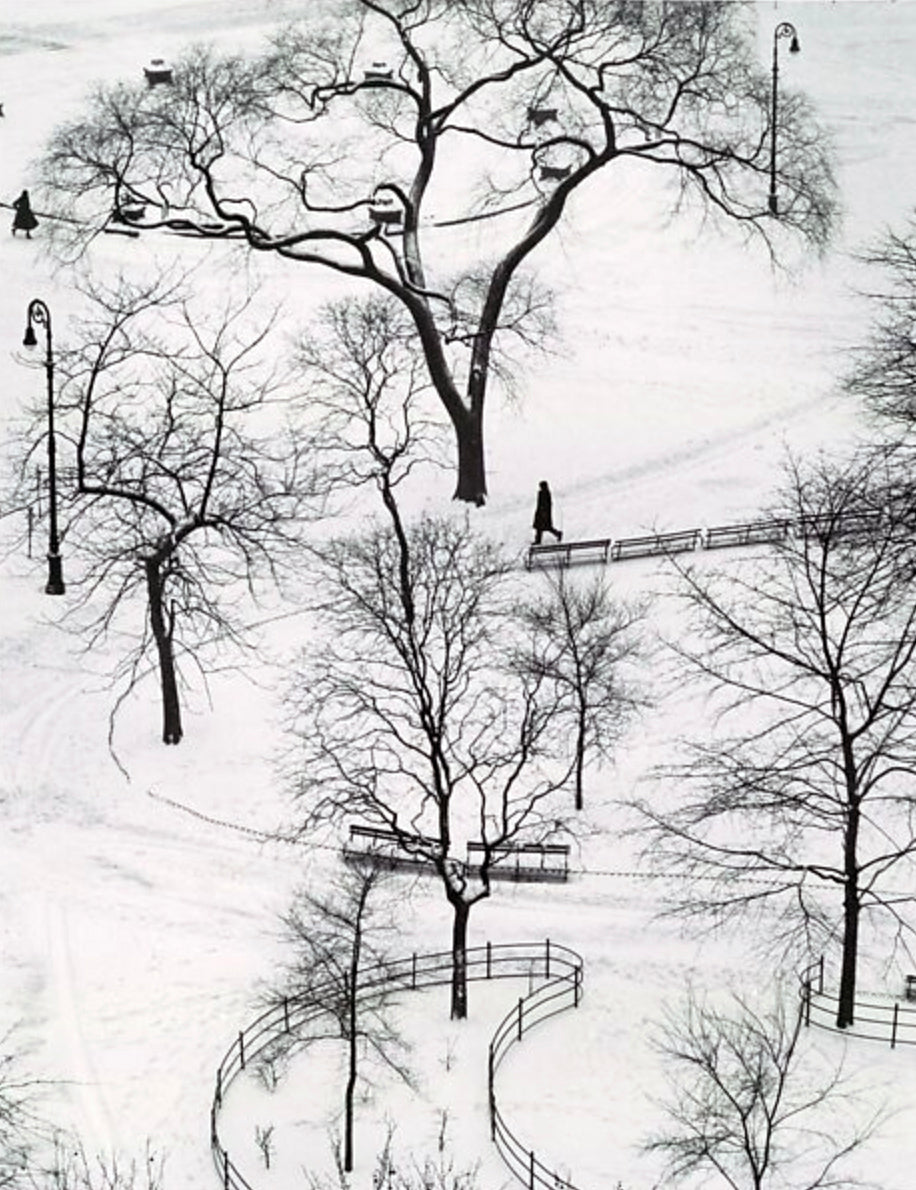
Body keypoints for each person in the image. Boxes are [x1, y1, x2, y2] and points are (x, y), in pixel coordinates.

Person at [532, 480, 562, 545]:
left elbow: (544, 504)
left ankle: (538, 540)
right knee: (543, 527)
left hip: (542, 513)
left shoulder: (544, 493)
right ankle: (557, 534)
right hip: (542, 512)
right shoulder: (545, 493)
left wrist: (542, 512)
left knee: (542, 527)